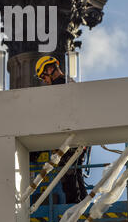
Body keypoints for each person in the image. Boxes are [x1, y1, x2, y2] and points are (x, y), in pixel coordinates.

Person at [33, 56, 88, 204]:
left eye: (44, 75)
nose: (44, 80)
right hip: (72, 137)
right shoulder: (67, 84)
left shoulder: (62, 87)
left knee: (70, 176)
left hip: (71, 138)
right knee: (74, 174)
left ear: (50, 69)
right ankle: (81, 204)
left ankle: (76, 206)